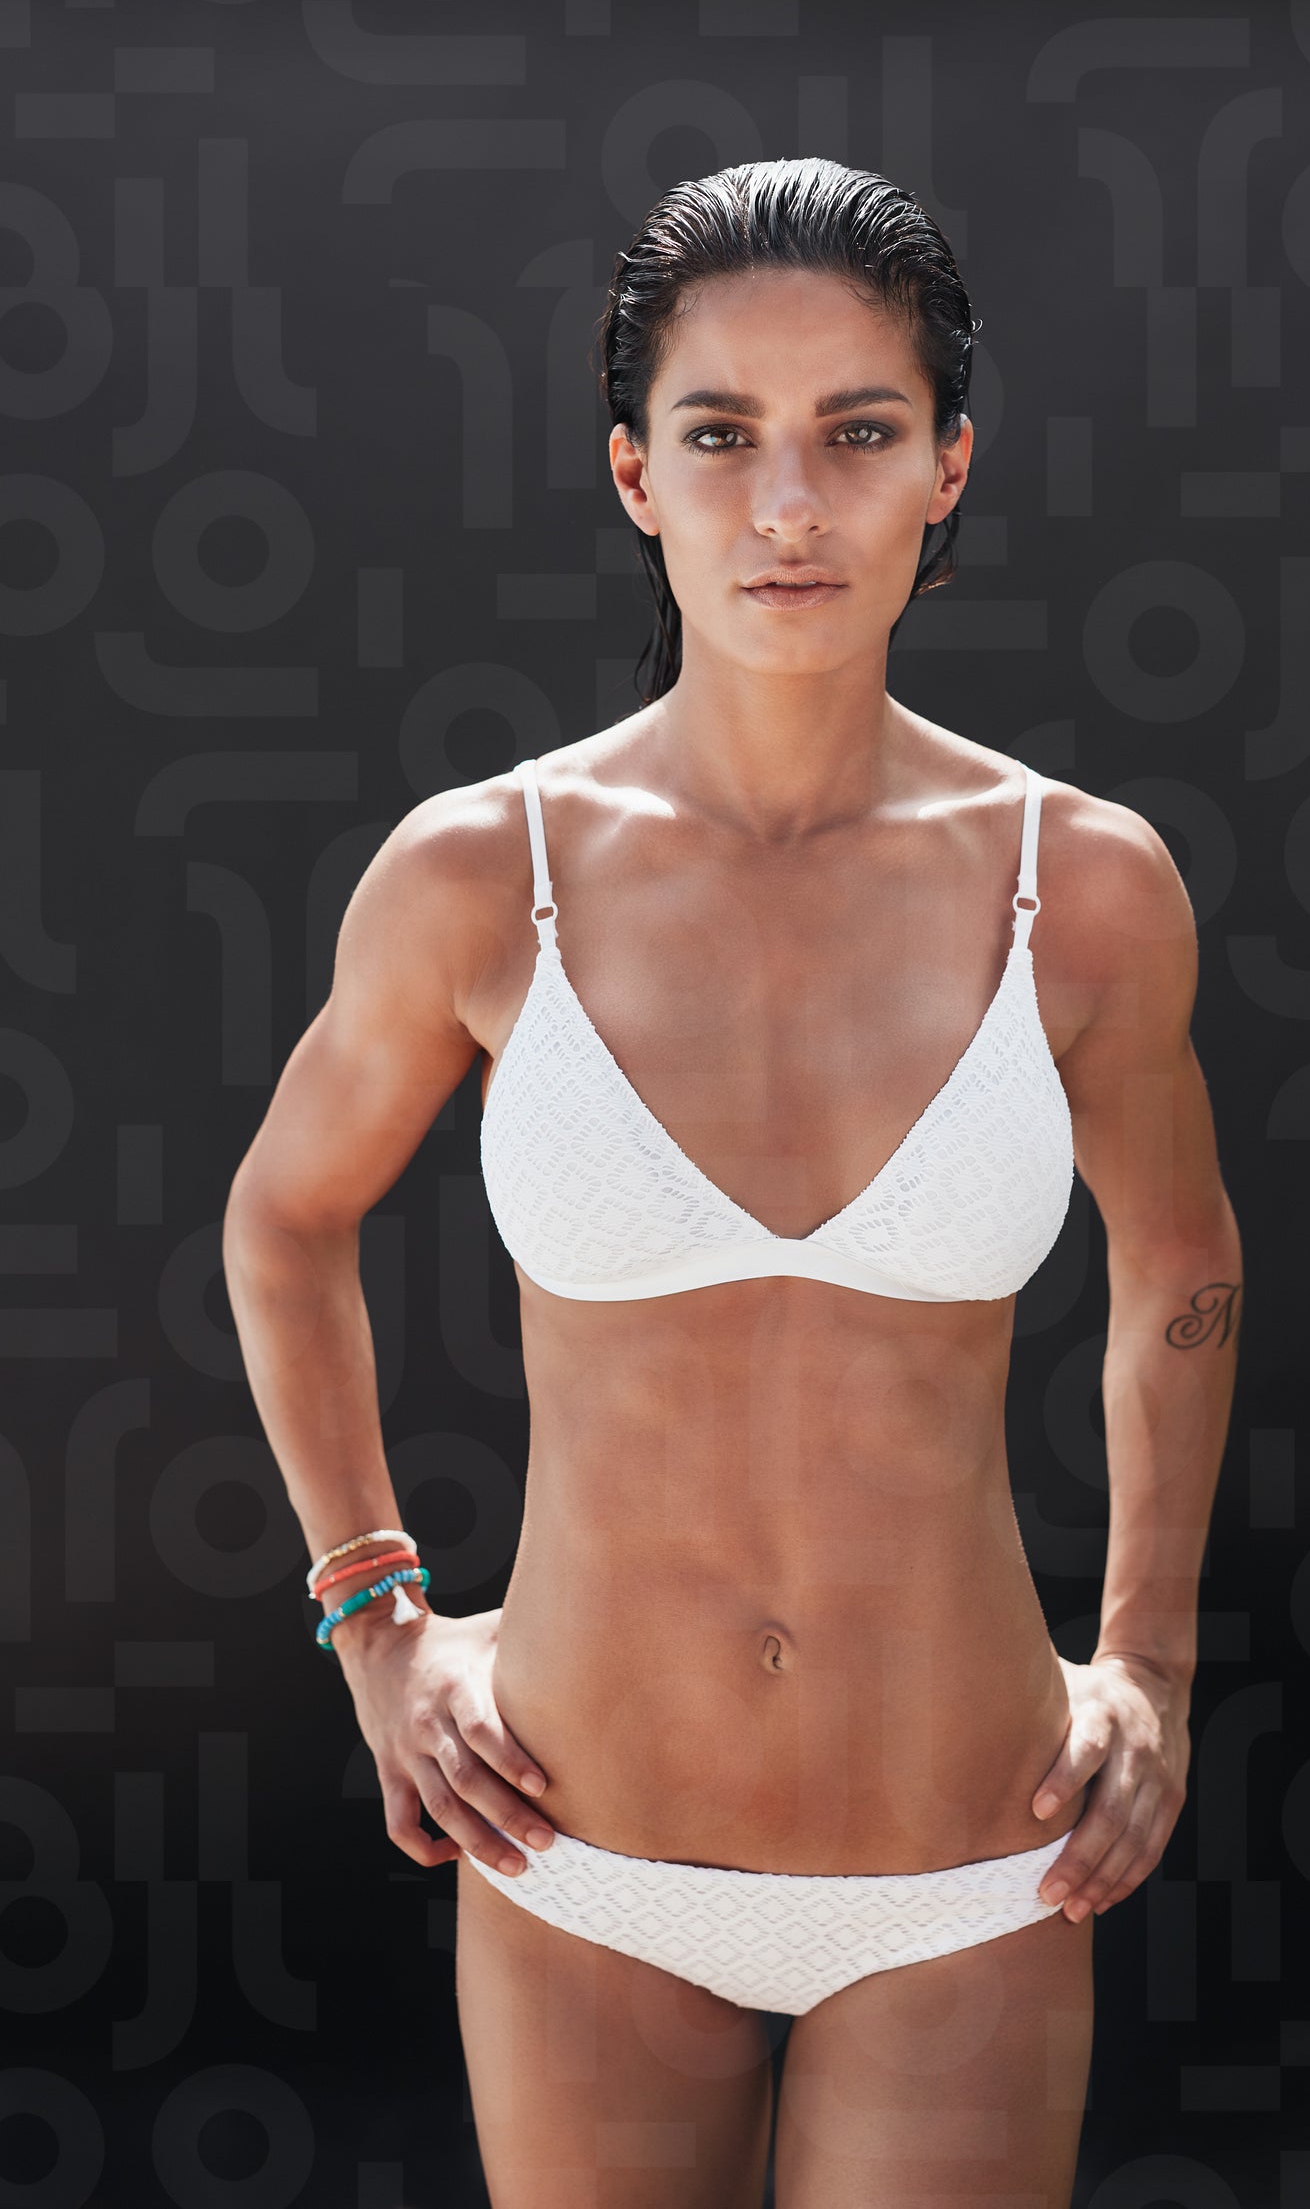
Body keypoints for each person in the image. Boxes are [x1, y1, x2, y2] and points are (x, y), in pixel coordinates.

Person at [223, 157, 1241, 2208]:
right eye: (720, 436)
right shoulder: (481, 874)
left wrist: (1149, 1661)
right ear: (634, 474)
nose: (789, 505)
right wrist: (374, 1618)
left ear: (948, 468)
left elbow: (1180, 1272)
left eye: (857, 433)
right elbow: (286, 1216)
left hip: (972, 1864)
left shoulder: (1085, 890)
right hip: (578, 1853)